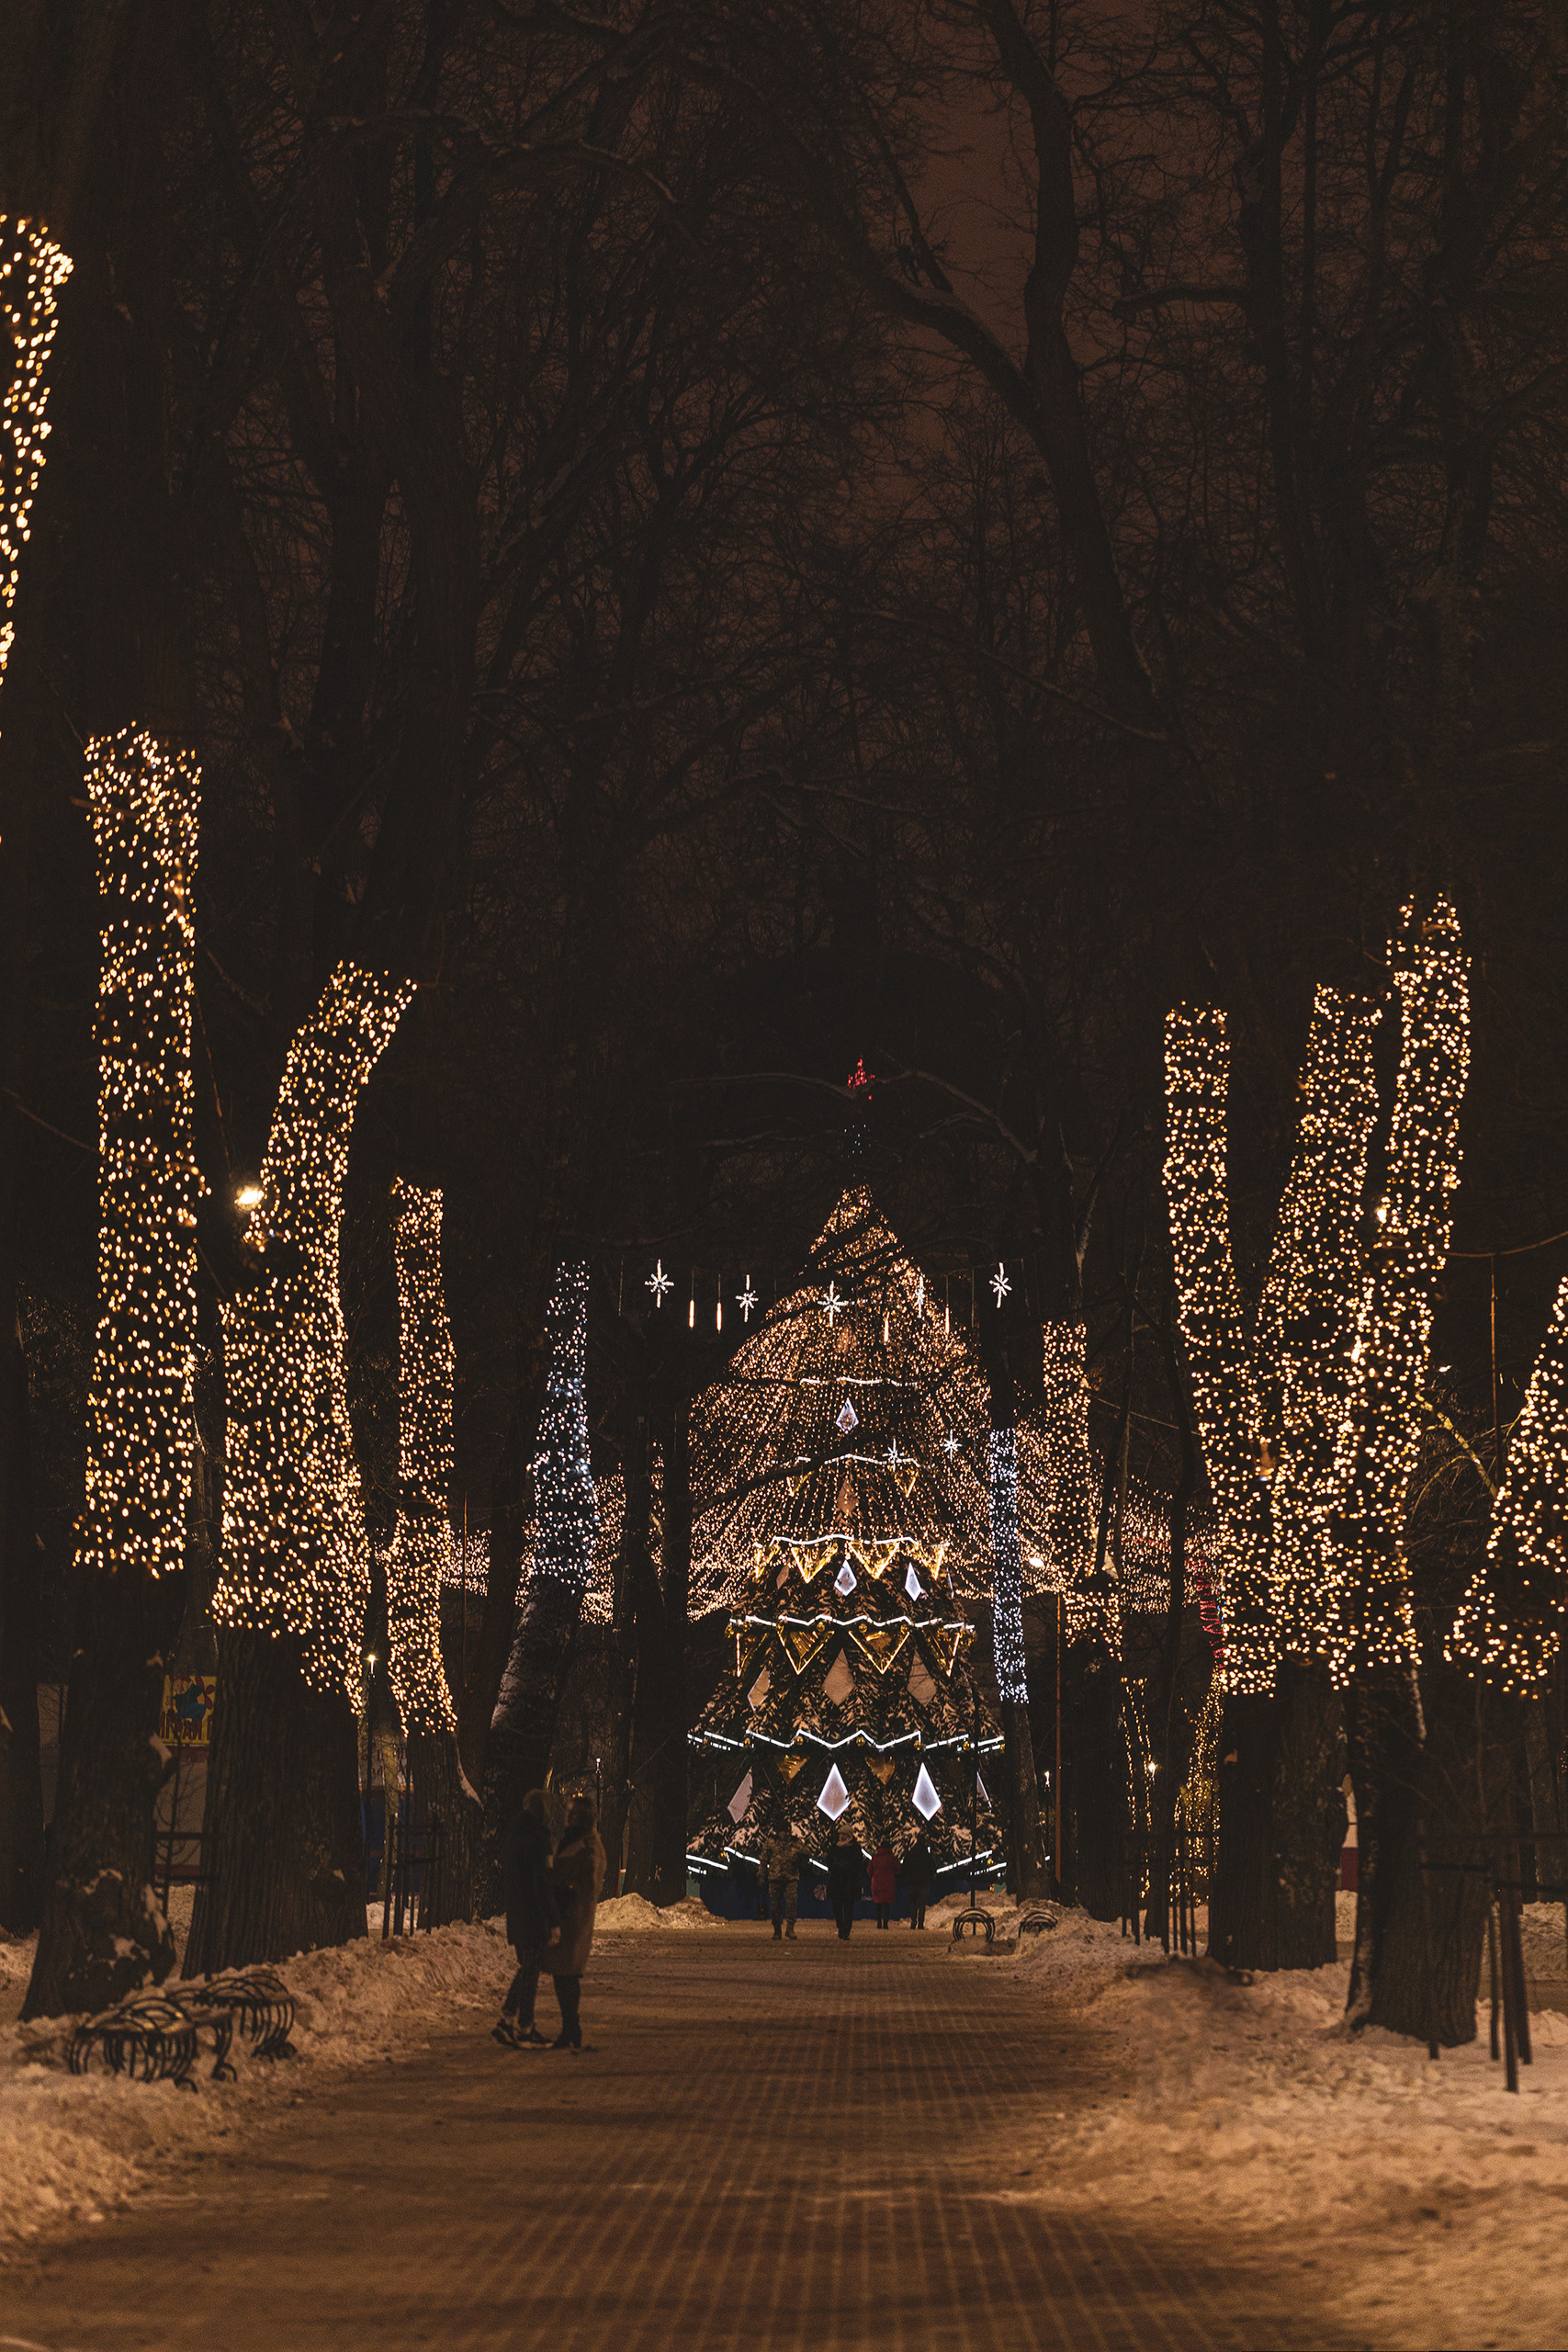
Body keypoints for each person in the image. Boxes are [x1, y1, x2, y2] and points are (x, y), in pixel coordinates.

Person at [494, 1788, 558, 2048]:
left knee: (528, 1967)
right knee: (531, 1971)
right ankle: (525, 2027)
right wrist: (553, 1920)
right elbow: (543, 1883)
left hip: (518, 1912)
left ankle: (508, 2020)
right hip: (534, 1915)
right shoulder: (538, 1839)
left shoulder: (513, 1837)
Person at [546, 1792, 607, 2051]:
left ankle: (571, 2028)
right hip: (566, 1915)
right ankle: (570, 2028)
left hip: (575, 1917)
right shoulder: (573, 1841)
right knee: (563, 1975)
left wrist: (568, 1889)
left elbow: (590, 1882)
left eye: (573, 1814)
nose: (567, 1818)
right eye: (567, 1813)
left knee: (567, 1974)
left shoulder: (588, 1844)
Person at [761, 1824, 806, 1939]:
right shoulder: (771, 1842)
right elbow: (764, 1859)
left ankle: (790, 1929)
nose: (785, 1834)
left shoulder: (796, 1843)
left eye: (787, 1831)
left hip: (791, 1877)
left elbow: (805, 1857)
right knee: (775, 1905)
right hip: (775, 1878)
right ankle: (777, 1930)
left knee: (792, 1903)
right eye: (782, 1831)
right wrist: (762, 1875)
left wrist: (803, 1857)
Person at [826, 1824, 863, 1939]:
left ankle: (846, 1930)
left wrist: (842, 1866)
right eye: (840, 1834)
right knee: (836, 1907)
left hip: (849, 1882)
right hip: (837, 1882)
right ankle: (840, 1926)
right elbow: (829, 1861)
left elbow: (857, 1864)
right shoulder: (834, 1847)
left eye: (844, 1834)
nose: (841, 1836)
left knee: (848, 1908)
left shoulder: (855, 1848)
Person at [905, 1833, 934, 1930]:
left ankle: (913, 1920)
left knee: (912, 1902)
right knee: (922, 1904)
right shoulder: (927, 1855)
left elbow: (905, 1867)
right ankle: (921, 1923)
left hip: (912, 1882)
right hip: (924, 1883)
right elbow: (933, 1868)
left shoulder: (911, 1853)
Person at [869, 1839, 896, 1928]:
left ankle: (879, 1922)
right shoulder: (891, 1857)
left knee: (878, 1903)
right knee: (886, 1903)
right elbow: (898, 1867)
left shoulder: (875, 1857)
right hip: (888, 1883)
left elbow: (869, 1870)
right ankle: (885, 1923)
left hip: (877, 1882)